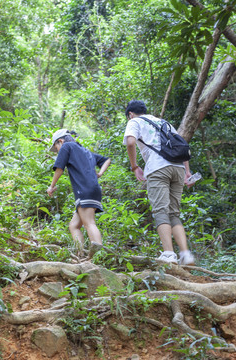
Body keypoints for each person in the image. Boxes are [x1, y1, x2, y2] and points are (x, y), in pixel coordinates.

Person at [123, 100, 196, 265]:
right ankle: (185, 254)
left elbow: (130, 142)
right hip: (178, 168)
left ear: (130, 114)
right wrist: (187, 172)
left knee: (160, 211)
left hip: (158, 169)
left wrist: (135, 166)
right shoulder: (164, 122)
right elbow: (182, 146)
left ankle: (169, 254)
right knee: (173, 212)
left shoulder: (134, 122)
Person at [47, 129, 111, 258]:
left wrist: (51, 186)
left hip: (84, 189)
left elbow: (59, 168)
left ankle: (99, 257)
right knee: (74, 226)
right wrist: (99, 173)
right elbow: (106, 160)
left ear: (60, 141)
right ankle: (80, 254)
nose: (57, 151)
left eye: (56, 148)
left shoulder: (66, 146)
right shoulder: (85, 151)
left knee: (89, 223)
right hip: (92, 189)